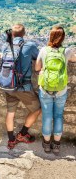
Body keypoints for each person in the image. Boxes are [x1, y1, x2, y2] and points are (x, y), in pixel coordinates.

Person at [35, 26, 76, 154]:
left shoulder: (43, 50)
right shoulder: (67, 51)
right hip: (61, 90)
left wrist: (42, 69)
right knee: (58, 116)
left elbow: (37, 67)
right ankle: (57, 145)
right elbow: (74, 59)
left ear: (50, 37)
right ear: (63, 38)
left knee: (47, 117)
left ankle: (47, 145)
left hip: (46, 89)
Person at [5, 24, 41, 149]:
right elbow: (40, 58)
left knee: (10, 113)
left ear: (12, 34)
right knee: (37, 109)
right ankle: (22, 134)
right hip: (22, 87)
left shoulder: (6, 46)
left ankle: (11, 140)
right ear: (24, 34)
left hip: (8, 85)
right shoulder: (30, 46)